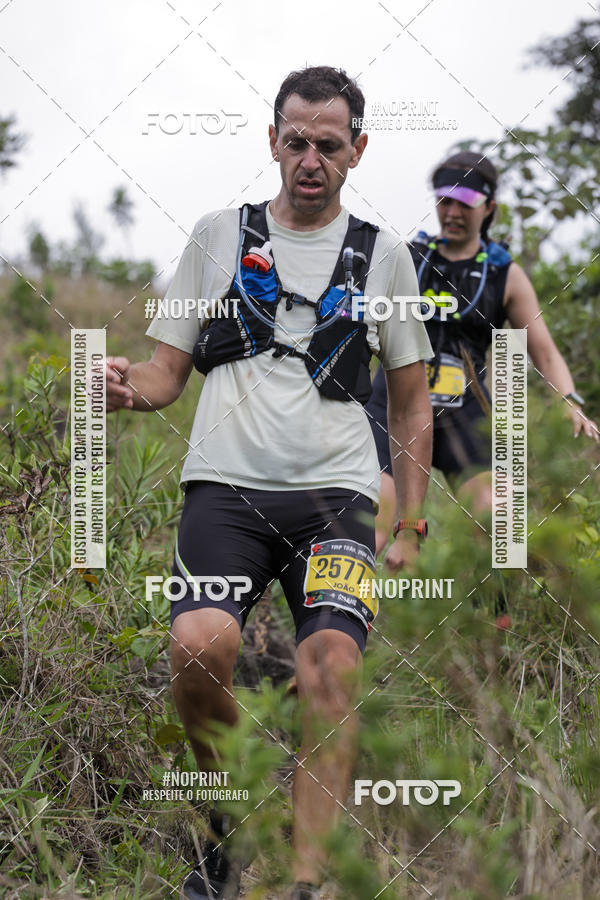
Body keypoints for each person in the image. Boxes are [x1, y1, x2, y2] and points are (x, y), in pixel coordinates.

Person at [104, 66, 433, 900]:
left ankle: (307, 882)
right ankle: (216, 842)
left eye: (329, 143)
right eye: (296, 141)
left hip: (338, 502)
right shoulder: (221, 235)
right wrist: (121, 383)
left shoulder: (383, 255)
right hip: (225, 491)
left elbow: (411, 399)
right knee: (198, 647)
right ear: (273, 142)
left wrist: (411, 524)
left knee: (330, 670)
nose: (310, 158)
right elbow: (165, 374)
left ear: (358, 149)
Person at [366, 150, 599, 556]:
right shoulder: (409, 257)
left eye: (465, 203)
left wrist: (570, 401)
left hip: (465, 411)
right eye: (445, 200)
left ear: (489, 207)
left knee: (501, 527)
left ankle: (491, 619)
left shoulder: (504, 273)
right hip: (394, 405)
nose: (452, 212)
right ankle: (357, 615)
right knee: (371, 528)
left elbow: (543, 351)